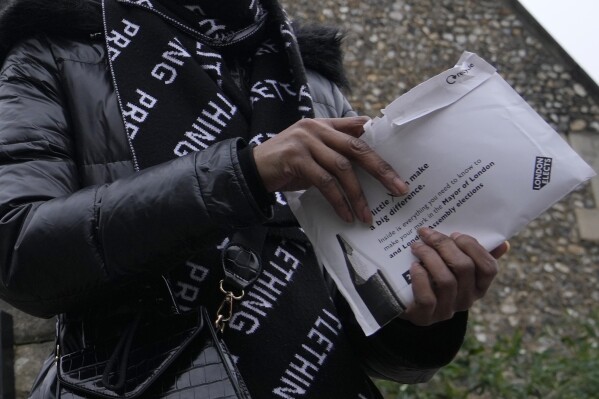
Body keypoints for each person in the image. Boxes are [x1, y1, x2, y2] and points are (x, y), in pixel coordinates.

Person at [0, 0, 508, 397]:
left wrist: (419, 313)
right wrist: (244, 173)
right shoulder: (54, 52)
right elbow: (19, 251)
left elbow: (371, 342)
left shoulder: (314, 83)